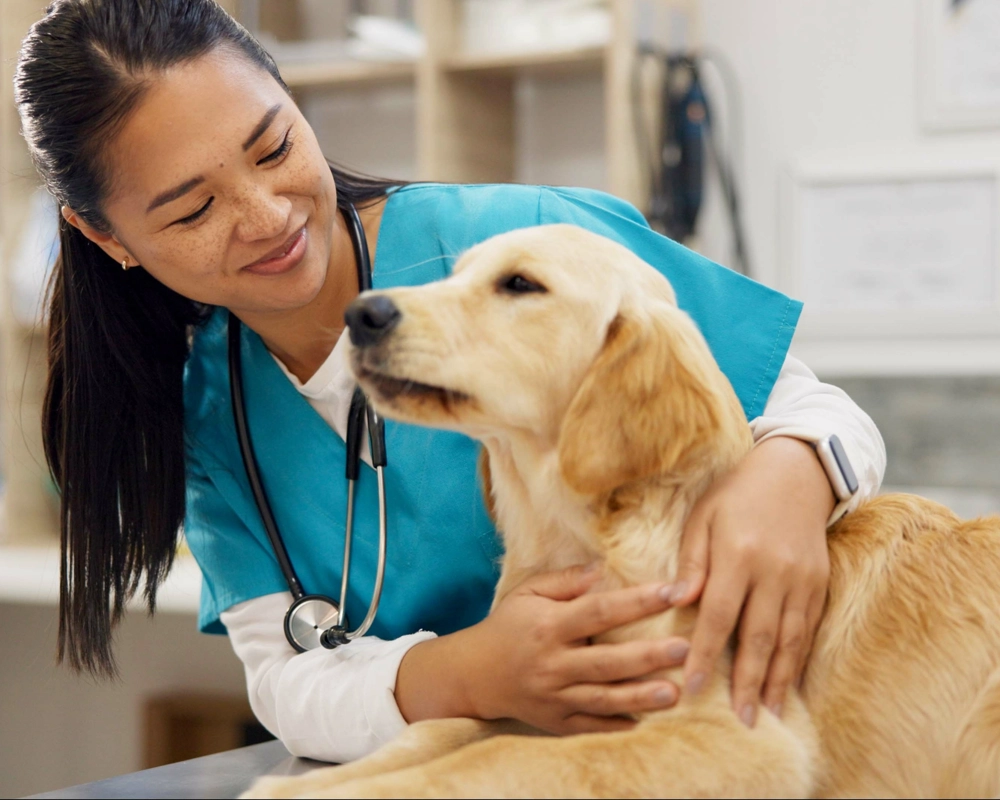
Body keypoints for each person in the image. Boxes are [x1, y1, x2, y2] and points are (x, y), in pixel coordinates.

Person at [15, 0, 884, 764]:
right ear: (105, 237)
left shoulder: (518, 243)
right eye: (194, 209)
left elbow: (816, 407)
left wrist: (795, 474)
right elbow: (284, 683)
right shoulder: (210, 407)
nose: (269, 215)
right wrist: (473, 673)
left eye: (274, 146)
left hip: (684, 739)